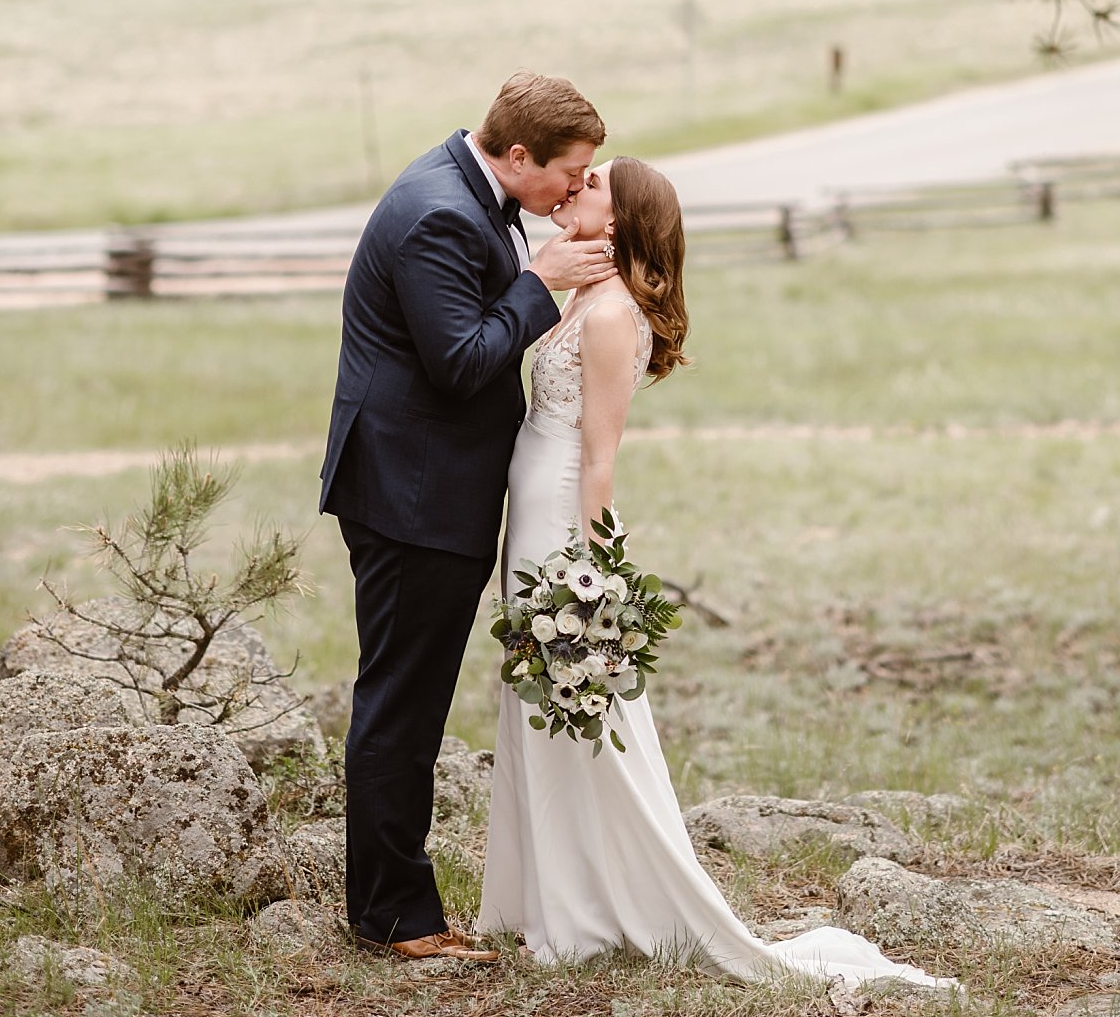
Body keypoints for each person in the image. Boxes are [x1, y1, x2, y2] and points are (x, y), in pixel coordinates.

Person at [478, 155, 955, 992]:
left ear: (619, 220)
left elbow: (599, 459)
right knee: (536, 701)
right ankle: (549, 894)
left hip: (560, 527)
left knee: (581, 706)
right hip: (530, 523)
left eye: (590, 186)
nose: (573, 189)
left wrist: (590, 582)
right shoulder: (584, 295)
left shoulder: (614, 314)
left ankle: (597, 906)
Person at [319, 72, 619, 964]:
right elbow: (460, 360)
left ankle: (393, 906)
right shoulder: (438, 213)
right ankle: (394, 919)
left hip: (429, 488)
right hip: (413, 497)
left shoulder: (468, 191)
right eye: (571, 171)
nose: (575, 188)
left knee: (409, 698)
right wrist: (537, 281)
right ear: (518, 155)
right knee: (401, 704)